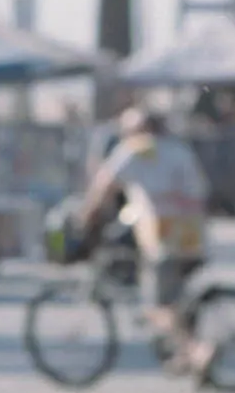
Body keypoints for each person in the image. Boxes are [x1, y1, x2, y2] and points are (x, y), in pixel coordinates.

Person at [84, 106, 211, 361]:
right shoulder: (178, 148)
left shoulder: (137, 148)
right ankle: (183, 353)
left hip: (163, 234)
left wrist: (86, 216)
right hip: (194, 233)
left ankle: (198, 350)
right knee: (175, 296)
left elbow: (104, 183)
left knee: (156, 304)